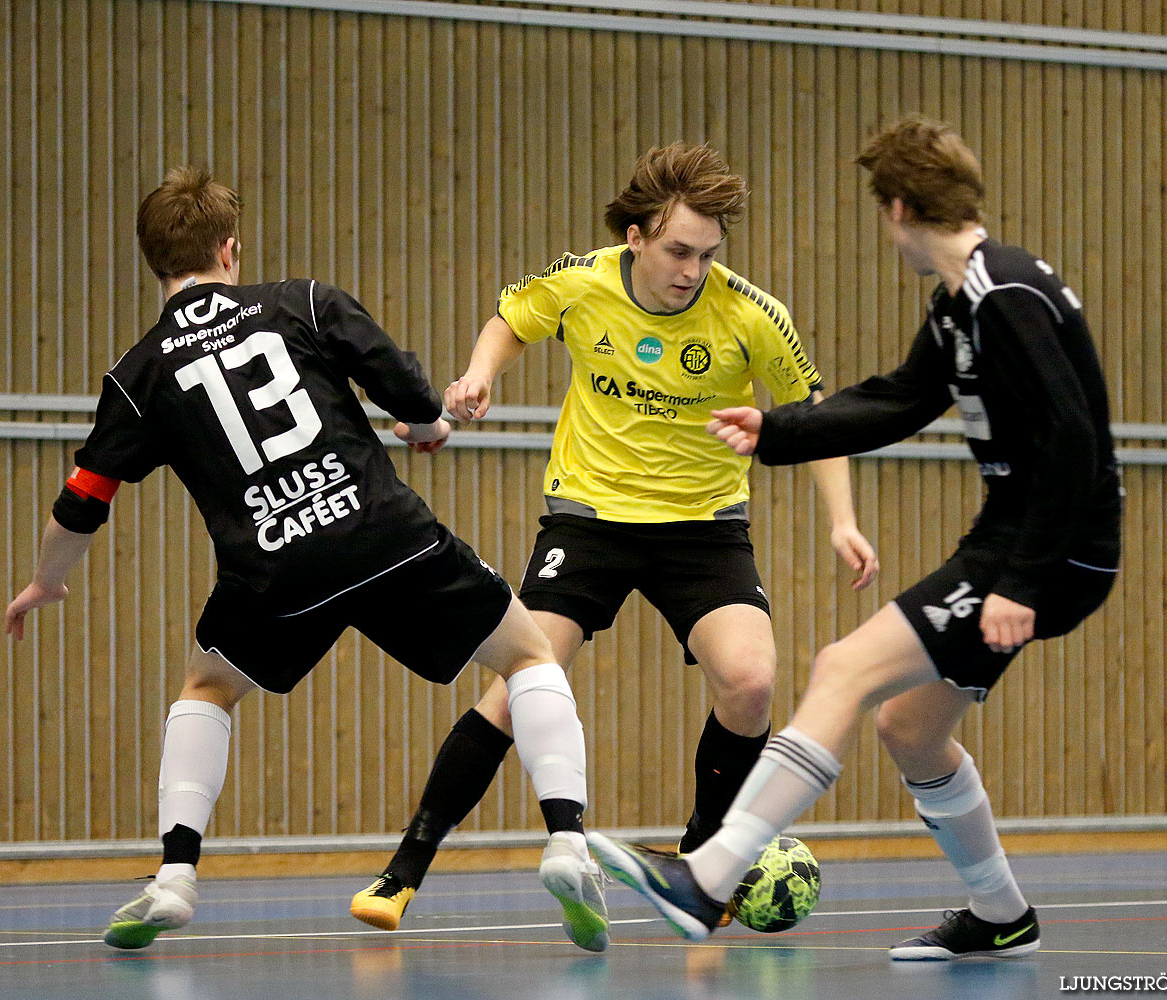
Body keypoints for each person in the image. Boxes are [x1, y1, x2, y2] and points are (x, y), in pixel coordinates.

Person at [3, 167, 604, 952]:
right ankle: (567, 842)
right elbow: (410, 395)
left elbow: (83, 499)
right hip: (385, 537)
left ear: (155, 263)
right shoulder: (305, 302)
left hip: (273, 572)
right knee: (528, 658)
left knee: (207, 689)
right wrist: (427, 428)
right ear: (230, 248)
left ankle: (176, 874)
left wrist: (47, 580)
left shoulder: (140, 373)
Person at [588, 115, 1122, 959]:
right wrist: (777, 430)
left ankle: (708, 876)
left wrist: (1023, 582)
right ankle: (1001, 915)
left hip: (1047, 548)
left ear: (900, 206)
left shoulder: (1006, 294)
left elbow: (1074, 444)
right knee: (910, 727)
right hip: (1020, 538)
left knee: (841, 669)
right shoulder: (959, 305)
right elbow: (900, 399)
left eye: (883, 213)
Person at [350, 142, 877, 933]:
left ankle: (701, 860)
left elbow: (816, 417)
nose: (691, 270)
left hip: (703, 530)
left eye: (706, 254)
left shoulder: (750, 314)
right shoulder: (583, 281)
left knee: (752, 680)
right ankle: (403, 871)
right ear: (635, 237)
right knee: (522, 682)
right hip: (589, 520)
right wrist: (479, 375)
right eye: (676, 251)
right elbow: (512, 319)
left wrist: (842, 519)